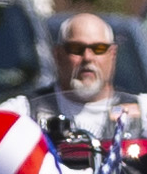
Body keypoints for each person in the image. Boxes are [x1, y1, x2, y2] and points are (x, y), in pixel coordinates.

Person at [29, 12, 139, 140]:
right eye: (76, 49)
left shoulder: (146, 113)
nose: (87, 57)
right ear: (57, 54)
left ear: (113, 54)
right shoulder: (26, 111)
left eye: (99, 49)